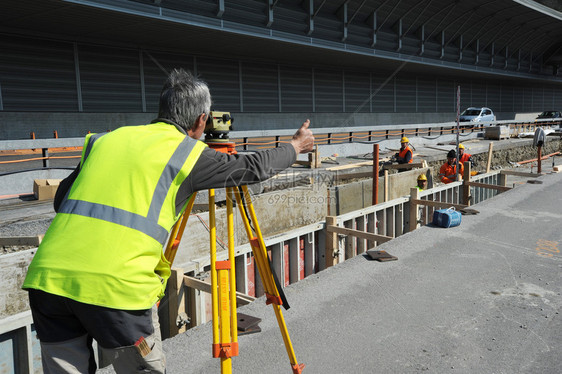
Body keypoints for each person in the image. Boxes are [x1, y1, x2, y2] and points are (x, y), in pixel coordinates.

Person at [22, 68, 314, 374]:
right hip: (116, 288)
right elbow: (253, 167)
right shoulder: (188, 153)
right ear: (202, 120)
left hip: (48, 281)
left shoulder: (105, 140)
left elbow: (61, 202)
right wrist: (295, 146)